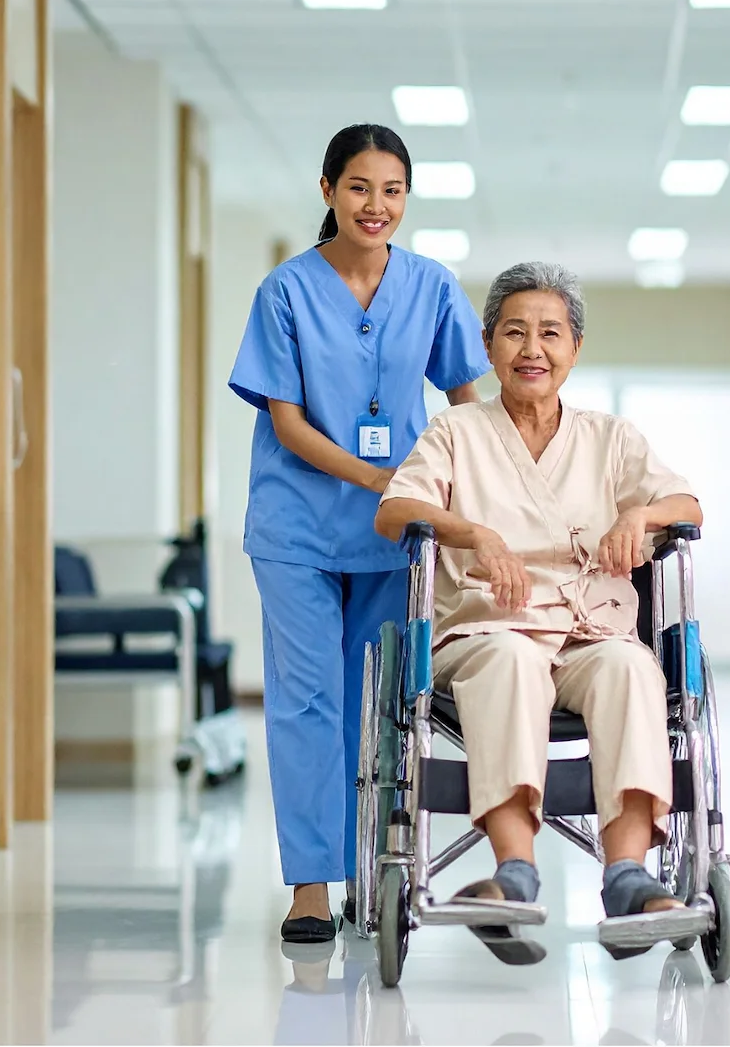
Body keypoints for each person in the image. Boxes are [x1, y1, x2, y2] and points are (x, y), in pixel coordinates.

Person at [374, 262, 704, 965]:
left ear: (574, 349)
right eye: (515, 332)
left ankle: (628, 876)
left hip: (589, 631)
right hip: (489, 627)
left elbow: (689, 507)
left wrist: (640, 513)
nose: (533, 349)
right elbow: (396, 509)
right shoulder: (456, 431)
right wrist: (473, 533)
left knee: (631, 666)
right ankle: (514, 873)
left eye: (550, 333)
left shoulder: (612, 439)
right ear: (490, 346)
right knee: (512, 659)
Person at [229, 124, 490, 945]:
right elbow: (288, 421)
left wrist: (495, 482)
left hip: (391, 535)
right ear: (328, 191)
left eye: (392, 191)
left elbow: (465, 400)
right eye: (359, 189)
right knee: (306, 702)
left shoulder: (432, 287)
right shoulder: (285, 292)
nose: (376, 206)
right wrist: (383, 478)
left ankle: (371, 872)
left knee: (376, 708)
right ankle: (311, 886)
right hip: (298, 526)